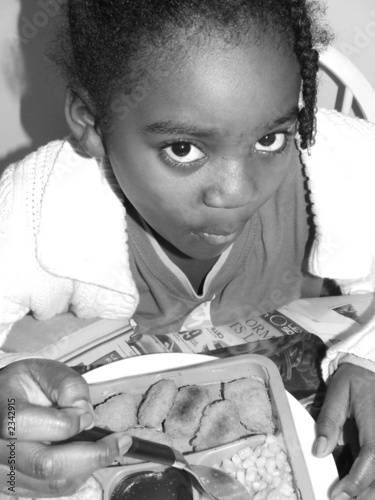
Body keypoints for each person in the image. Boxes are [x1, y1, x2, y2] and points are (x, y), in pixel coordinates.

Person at [1, 0, 375, 498]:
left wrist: (367, 358)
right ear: (91, 122)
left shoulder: (341, 166)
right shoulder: (37, 209)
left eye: (270, 139)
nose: (237, 192)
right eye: (184, 149)